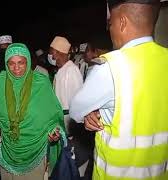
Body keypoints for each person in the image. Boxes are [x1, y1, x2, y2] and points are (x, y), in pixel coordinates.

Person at [70, 0, 168, 179]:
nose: (110, 30)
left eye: (110, 24)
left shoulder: (111, 67)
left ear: (122, 22)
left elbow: (76, 110)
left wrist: (94, 111)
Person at [0, 43, 67, 180]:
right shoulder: (0, 81)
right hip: (7, 149)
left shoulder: (41, 83)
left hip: (34, 149)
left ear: (28, 61)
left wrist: (54, 132)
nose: (16, 68)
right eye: (11, 63)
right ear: (6, 63)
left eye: (21, 63)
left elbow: (52, 115)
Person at [48, 36, 83, 134]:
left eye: (51, 52)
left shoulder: (71, 70)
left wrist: (74, 130)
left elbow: (77, 102)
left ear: (57, 52)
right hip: (61, 123)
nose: (50, 55)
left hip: (69, 125)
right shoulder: (61, 71)